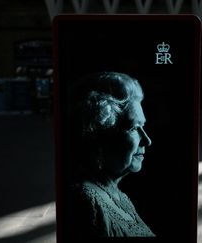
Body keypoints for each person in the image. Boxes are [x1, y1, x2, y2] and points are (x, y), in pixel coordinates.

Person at [65, 71, 155, 238]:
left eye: (143, 126)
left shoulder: (118, 195)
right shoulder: (87, 201)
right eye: (134, 128)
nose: (147, 141)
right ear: (100, 135)